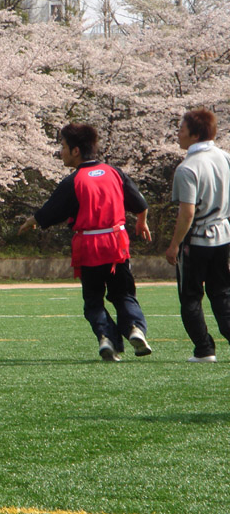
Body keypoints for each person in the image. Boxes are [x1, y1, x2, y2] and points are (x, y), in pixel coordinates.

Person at [19, 123, 152, 362]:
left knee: (93, 299)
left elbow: (51, 210)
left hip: (89, 246)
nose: (61, 152)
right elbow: (140, 203)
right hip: (116, 243)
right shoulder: (114, 173)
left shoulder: (74, 181)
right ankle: (135, 328)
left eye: (63, 146)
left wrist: (32, 221)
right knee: (123, 294)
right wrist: (141, 222)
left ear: (76, 150)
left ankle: (106, 338)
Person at [165, 108, 230, 363]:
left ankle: (204, 349)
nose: (178, 134)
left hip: (197, 240)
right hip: (223, 236)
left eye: (181, 129)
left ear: (194, 135)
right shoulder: (225, 158)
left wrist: (174, 245)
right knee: (222, 293)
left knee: (191, 296)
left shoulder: (187, 168)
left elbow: (187, 213)